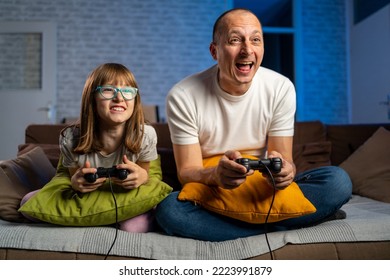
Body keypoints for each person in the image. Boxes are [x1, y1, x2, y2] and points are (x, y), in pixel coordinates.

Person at [155, 8, 352, 241]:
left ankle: (237, 229)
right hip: (213, 187)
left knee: (338, 181)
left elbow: (283, 158)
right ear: (214, 51)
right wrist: (216, 175)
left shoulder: (280, 87)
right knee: (169, 211)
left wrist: (285, 172)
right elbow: (187, 172)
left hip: (262, 187)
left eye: (255, 40)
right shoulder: (183, 95)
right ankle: (289, 224)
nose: (247, 49)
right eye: (235, 40)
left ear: (262, 48)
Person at [21, 63, 158, 232]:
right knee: (27, 202)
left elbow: (145, 174)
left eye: (128, 91)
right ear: (91, 98)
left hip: (124, 195)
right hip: (89, 195)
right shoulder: (71, 138)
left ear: (135, 100)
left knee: (133, 227)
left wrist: (142, 177)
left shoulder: (146, 135)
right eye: (108, 90)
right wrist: (76, 183)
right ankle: (103, 218)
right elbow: (75, 180)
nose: (119, 98)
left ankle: (102, 217)